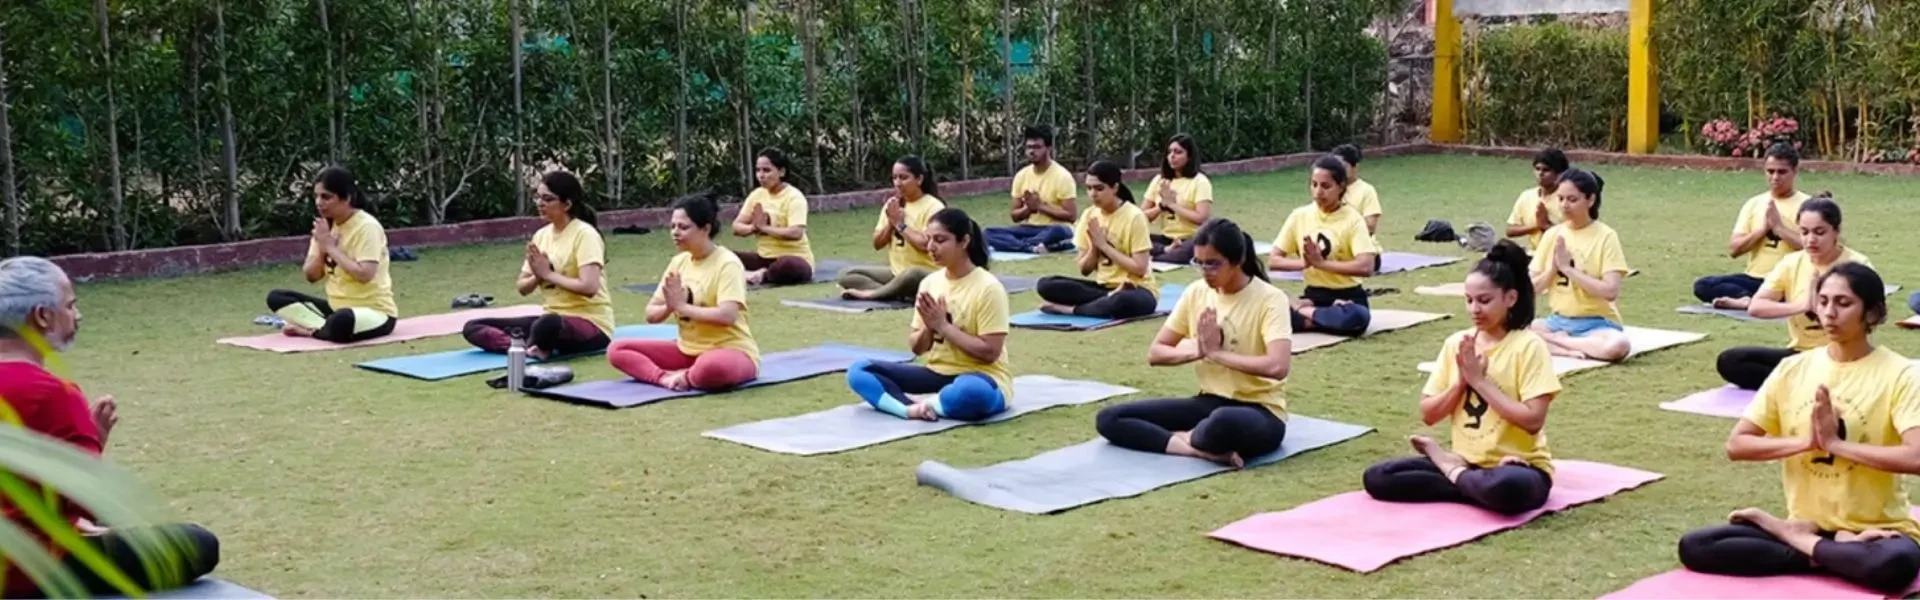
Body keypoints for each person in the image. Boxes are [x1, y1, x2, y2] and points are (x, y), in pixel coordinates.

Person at [1676, 263, 1920, 596]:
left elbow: (1916, 456)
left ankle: (1797, 541)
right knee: (1698, 546)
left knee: (1892, 565)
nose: (1829, 313)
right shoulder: (1792, 369)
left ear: (1873, 312)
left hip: (1878, 530)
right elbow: (1738, 445)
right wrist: (1807, 441)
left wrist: (1836, 445)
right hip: (1811, 521)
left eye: (1843, 303)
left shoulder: (1902, 374)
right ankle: (1823, 548)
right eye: (1823, 301)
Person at [0, 257, 219, 597]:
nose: (77, 315)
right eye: (70, 306)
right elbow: (82, 500)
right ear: (43, 316)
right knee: (199, 543)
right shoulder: (53, 393)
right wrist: (94, 443)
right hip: (29, 568)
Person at [1362, 239, 1561, 516]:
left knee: (1507, 488)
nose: (1474, 310)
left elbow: (1532, 421)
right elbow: (1429, 414)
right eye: (1469, 300)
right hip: (1467, 461)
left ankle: (1452, 473)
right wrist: (1461, 382)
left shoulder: (1528, 346)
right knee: (1379, 477)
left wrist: (1480, 382)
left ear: (1510, 298)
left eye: (1484, 300)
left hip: (1519, 466)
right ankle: (1467, 481)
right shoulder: (1458, 343)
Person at [1096, 219, 1292, 467]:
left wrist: (1216, 354)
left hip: (1261, 412)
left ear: (1238, 260)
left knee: (1223, 421)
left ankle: (1187, 437)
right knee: (1110, 418)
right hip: (1208, 402)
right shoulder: (1196, 292)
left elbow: (1277, 366)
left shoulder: (1270, 299)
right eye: (1199, 263)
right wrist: (1197, 352)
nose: (1205, 271)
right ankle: (1196, 450)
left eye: (1213, 264)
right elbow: (1156, 353)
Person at [845, 208, 1011, 421]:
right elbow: (916, 347)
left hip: (982, 378)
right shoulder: (930, 284)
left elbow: (990, 352)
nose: (931, 247)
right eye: (929, 239)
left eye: (940, 240)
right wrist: (929, 327)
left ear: (964, 242)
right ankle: (909, 409)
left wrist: (944, 327)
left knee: (972, 393)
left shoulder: (988, 287)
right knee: (860, 370)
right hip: (937, 373)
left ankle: (929, 403)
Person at [1718, 195, 1871, 390]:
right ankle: (1805, 384)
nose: (1810, 240)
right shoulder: (1791, 263)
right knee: (1731, 361)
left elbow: (1870, 315)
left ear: (1836, 231)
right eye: (1804, 232)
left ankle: (1810, 383)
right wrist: (1802, 306)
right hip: (1801, 354)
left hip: (1843, 355)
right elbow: (1756, 307)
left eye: (1819, 232)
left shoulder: (1858, 266)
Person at [612, 195, 760, 391]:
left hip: (730, 350)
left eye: (683, 227)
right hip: (687, 350)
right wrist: (669, 306)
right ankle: (665, 378)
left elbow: (727, 315)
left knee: (712, 367)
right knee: (618, 349)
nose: (675, 232)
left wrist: (682, 307)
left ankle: (689, 376)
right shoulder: (679, 262)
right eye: (673, 226)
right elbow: (651, 314)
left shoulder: (727, 263)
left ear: (705, 229)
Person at [462, 171, 613, 358]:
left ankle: (537, 344)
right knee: (474, 327)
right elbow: (522, 287)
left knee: (547, 324)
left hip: (591, 325)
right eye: (538, 197)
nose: (540, 204)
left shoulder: (585, 234)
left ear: (566, 204)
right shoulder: (541, 236)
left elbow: (589, 287)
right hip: (551, 319)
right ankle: (522, 348)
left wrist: (549, 275)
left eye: (548, 199)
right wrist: (538, 276)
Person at [263, 166, 397, 343]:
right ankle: (323, 327)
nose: (319, 202)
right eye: (316, 197)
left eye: (326, 197)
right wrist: (321, 245)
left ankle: (311, 331)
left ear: (347, 198)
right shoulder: (324, 227)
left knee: (342, 321)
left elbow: (365, 274)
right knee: (277, 297)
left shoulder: (367, 226)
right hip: (335, 308)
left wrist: (331, 248)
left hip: (374, 312)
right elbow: (311, 276)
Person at [1267, 155, 1380, 337]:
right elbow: (1274, 260)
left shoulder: (1353, 219)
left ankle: (1305, 315)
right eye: (1314, 185)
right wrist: (1305, 263)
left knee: (1356, 317)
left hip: (1348, 298)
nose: (1318, 192)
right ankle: (1322, 318)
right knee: (1271, 315)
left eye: (1326, 186)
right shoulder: (1299, 216)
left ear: (1341, 187)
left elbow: (1366, 267)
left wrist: (1322, 264)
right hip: (1313, 297)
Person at [1529, 168, 1632, 362]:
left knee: (1618, 347)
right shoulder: (1552, 235)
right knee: (1507, 328)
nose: (1564, 206)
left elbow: (1610, 291)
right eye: (1560, 199)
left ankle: (1557, 343)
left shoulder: (1606, 236)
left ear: (1590, 200)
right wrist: (1553, 269)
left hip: (1597, 324)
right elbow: (1528, 289)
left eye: (1572, 199)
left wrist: (1569, 270)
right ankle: (1563, 347)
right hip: (1557, 321)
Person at [1035, 161, 1158, 319]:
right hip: (1103, 288)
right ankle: (1104, 300)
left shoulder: (1135, 216)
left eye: (1099, 188)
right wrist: (1094, 246)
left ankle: (1070, 310)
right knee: (1046, 285)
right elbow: (1084, 269)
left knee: (1121, 301)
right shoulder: (1089, 215)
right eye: (1089, 188)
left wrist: (1104, 246)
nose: (1093, 194)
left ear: (1114, 188)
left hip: (1136, 289)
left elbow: (1140, 268)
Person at [1694, 143, 1811, 307]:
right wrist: (1761, 230)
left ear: (1795, 171)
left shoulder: (1809, 205)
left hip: (1790, 281)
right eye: (1770, 171)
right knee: (1703, 285)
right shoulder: (1754, 203)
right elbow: (1734, 249)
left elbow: (1815, 249)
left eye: (1782, 172)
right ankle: (1746, 300)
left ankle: (1759, 301)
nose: (1775, 177)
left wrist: (1780, 229)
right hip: (1756, 280)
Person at [837, 156, 948, 303]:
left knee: (911, 275)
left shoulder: (934, 207)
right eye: (894, 178)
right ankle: (896, 293)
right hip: (896, 273)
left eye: (903, 178)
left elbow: (926, 245)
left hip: (927, 273)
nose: (898, 183)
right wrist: (891, 222)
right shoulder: (892, 206)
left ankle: (873, 294)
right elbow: (877, 244)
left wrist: (900, 224)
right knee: (846, 274)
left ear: (919, 179)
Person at [984, 125, 1077, 255]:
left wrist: (1040, 207)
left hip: (1053, 229)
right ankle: (1032, 247)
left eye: (1037, 147)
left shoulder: (1062, 176)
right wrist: (1028, 209)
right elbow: (1014, 216)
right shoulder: (1021, 176)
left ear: (1049, 149)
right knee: (988, 233)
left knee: (1060, 231)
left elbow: (1071, 216)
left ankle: (1022, 244)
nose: (1032, 151)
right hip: (1030, 229)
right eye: (1029, 147)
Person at [730, 148, 815, 286]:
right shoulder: (756, 195)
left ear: (781, 172)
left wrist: (765, 228)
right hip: (764, 258)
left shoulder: (794, 197)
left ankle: (762, 275)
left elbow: (796, 232)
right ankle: (755, 274)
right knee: (722, 255)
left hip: (793, 258)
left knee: (788, 266)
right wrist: (754, 228)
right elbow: (736, 227)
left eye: (766, 170)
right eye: (758, 170)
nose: (761, 175)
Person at [1143, 135, 1214, 265]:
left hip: (1191, 239)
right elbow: (1141, 217)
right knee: (1133, 238)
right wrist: (1161, 207)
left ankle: (1154, 258)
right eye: (1169, 152)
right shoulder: (1159, 180)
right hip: (1166, 239)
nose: (1172, 156)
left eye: (1178, 152)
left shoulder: (1200, 181)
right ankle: (1165, 251)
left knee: (1191, 250)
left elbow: (1202, 219)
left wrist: (1172, 205)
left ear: (1190, 156)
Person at [1505, 148, 1571, 250]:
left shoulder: (1568, 199)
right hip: (1535, 255)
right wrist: (1537, 225)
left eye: (1546, 170)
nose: (1540, 174)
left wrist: (1546, 226)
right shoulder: (1527, 196)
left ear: (1560, 173)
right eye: (1537, 169)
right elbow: (1510, 231)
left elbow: (1574, 236)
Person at [1331, 143, 1383, 239]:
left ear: (1355, 167)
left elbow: (1370, 227)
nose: (1339, 171)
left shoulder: (1366, 191)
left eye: (1343, 166)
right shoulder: (1330, 189)